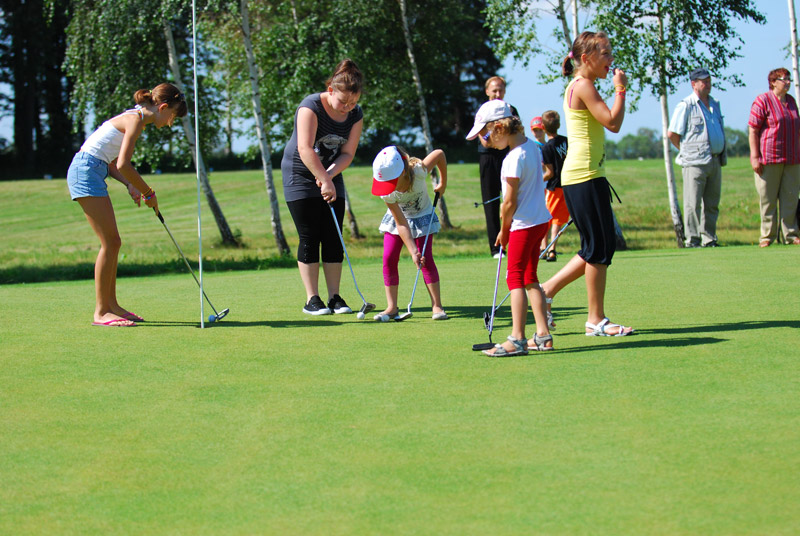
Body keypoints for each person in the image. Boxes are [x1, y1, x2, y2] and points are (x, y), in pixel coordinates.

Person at [66, 83, 187, 327]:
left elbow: (111, 164)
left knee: (114, 242)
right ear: (163, 107)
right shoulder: (135, 120)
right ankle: (101, 312)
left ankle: (112, 305)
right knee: (109, 242)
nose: (170, 122)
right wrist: (147, 192)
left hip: (93, 170)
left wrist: (130, 185)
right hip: (85, 172)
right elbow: (123, 164)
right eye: (172, 115)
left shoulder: (135, 117)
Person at [540, 31, 634, 337]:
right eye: (605, 54)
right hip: (583, 177)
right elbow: (613, 122)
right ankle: (596, 320)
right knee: (598, 248)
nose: (610, 60)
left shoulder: (581, 85)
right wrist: (621, 90)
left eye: (610, 53)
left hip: (588, 176)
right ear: (586, 59)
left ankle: (547, 291)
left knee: (599, 246)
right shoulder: (582, 85)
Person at [467, 100, 553, 356]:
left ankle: (517, 339)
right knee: (530, 278)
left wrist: (503, 231)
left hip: (523, 225)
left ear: (499, 128)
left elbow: (509, 203)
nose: (484, 139)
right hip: (540, 221)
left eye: (485, 133)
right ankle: (543, 336)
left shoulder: (512, 159)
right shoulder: (532, 147)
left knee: (514, 278)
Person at [281, 59, 364, 315]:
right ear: (330, 90)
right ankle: (312, 299)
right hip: (299, 173)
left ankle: (335, 297)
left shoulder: (355, 114)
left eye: (353, 102)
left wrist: (329, 176)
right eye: (343, 102)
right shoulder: (311, 106)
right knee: (310, 234)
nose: (347, 108)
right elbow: (305, 148)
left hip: (331, 171)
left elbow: (348, 153)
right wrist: (323, 179)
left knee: (333, 235)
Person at [370, 146, 448, 322]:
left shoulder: (418, 171)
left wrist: (443, 182)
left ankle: (437, 305)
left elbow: (439, 154)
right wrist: (412, 250)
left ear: (404, 171)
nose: (388, 187)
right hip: (399, 220)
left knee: (425, 259)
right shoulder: (387, 192)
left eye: (391, 181)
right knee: (388, 258)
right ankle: (392, 307)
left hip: (422, 218)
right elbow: (401, 223)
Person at [667, 68, 727, 248]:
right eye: (703, 81)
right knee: (692, 204)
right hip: (694, 163)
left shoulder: (715, 104)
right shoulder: (686, 105)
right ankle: (692, 240)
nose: (707, 84)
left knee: (712, 204)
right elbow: (672, 134)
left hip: (715, 160)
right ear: (694, 84)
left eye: (708, 80)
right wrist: (686, 149)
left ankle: (709, 239)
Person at [747, 67, 800, 247]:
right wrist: (755, 156)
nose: (787, 82)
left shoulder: (792, 101)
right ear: (773, 82)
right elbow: (753, 129)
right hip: (768, 158)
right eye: (783, 79)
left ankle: (791, 235)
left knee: (790, 198)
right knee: (768, 200)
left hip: (792, 158)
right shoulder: (763, 101)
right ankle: (767, 237)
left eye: (788, 79)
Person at [476, 76, 520, 259]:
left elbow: (516, 135)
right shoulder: (483, 111)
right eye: (494, 90)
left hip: (508, 156)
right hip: (488, 159)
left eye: (500, 89)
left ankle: (517, 241)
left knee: (512, 199)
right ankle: (497, 248)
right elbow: (485, 142)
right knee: (491, 202)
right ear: (487, 91)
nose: (497, 93)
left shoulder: (511, 110)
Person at [539, 110, 570, 262]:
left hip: (554, 187)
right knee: (558, 220)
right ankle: (552, 249)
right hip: (568, 185)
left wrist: (537, 179)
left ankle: (544, 248)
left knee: (546, 218)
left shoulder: (546, 148)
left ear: (543, 128)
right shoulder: (566, 141)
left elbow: (549, 173)